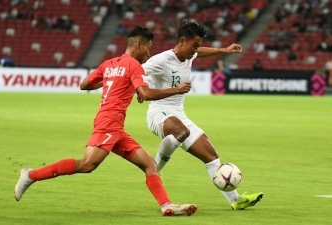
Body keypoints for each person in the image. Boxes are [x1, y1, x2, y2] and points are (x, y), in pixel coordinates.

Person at [14, 26, 198, 217]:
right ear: (138, 45)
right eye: (148, 48)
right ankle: (31, 175)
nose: (148, 53)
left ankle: (166, 205)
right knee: (87, 164)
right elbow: (146, 93)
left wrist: (115, 79)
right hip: (108, 122)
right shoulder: (134, 65)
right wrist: (175, 90)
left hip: (116, 127)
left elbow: (84, 84)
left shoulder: (109, 63)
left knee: (149, 164)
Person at [140, 20, 264, 210]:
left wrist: (224, 50)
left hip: (179, 113)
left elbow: (201, 52)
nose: (196, 50)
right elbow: (137, 72)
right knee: (180, 131)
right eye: (194, 45)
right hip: (158, 112)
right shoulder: (160, 61)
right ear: (182, 41)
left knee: (212, 156)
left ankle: (235, 200)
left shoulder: (189, 55)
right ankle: (154, 170)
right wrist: (139, 89)